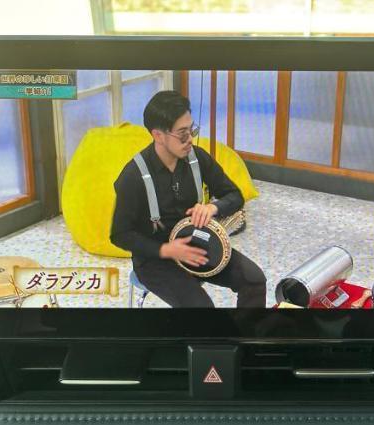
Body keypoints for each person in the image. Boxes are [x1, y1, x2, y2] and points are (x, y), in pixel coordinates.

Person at [110, 90, 266, 307]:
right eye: (182, 133)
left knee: (254, 280)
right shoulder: (133, 176)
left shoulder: (198, 158)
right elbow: (120, 234)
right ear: (158, 135)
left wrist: (213, 208)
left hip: (197, 243)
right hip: (156, 260)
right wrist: (166, 250)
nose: (190, 139)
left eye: (191, 129)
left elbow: (235, 195)